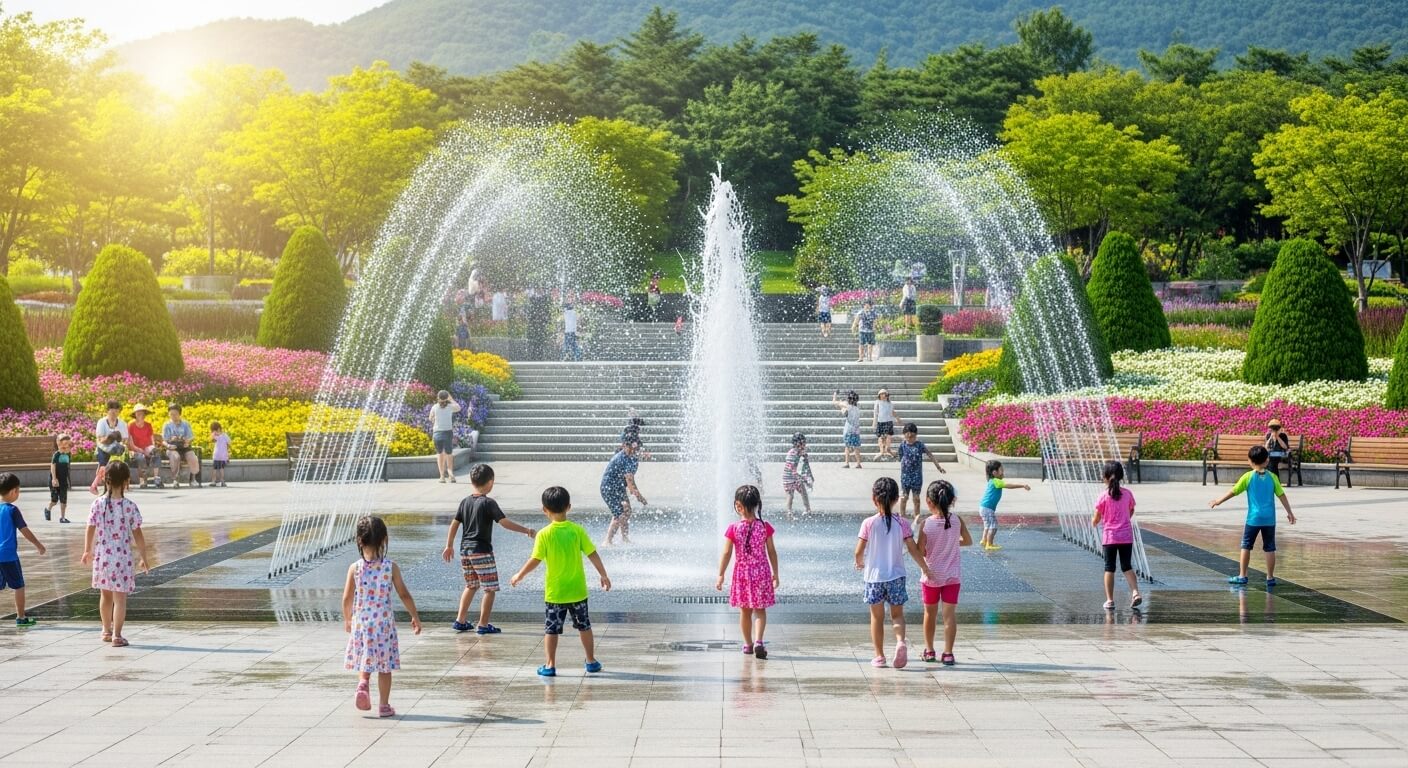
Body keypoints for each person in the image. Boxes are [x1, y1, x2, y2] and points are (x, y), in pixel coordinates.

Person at [510, 486, 611, 677]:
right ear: (569, 507)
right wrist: (603, 574)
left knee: (551, 630)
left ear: (544, 510)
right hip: (577, 591)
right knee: (584, 626)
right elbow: (592, 554)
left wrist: (520, 575)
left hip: (555, 593)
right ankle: (590, 661)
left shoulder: (544, 534)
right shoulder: (577, 530)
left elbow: (535, 560)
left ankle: (550, 665)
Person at [442, 464, 536, 634]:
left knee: (471, 585)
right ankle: (483, 624)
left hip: (466, 550)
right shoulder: (489, 503)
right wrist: (527, 530)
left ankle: (460, 620)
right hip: (482, 551)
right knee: (490, 589)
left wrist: (449, 545)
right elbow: (504, 522)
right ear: (491, 482)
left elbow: (454, 523)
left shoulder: (465, 502)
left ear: (472, 482)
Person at [342, 516, 421, 718]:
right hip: (383, 625)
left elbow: (347, 597)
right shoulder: (390, 567)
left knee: (365, 659)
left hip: (362, 622)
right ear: (384, 540)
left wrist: (348, 619)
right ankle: (384, 705)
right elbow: (404, 594)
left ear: (359, 540)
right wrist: (414, 616)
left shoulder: (355, 568)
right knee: (384, 667)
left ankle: (363, 683)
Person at [855, 477, 932, 669]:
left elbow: (858, 551)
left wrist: (860, 562)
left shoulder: (868, 523)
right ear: (896, 499)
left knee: (877, 618)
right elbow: (913, 549)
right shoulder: (903, 523)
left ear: (874, 499)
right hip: (897, 576)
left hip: (874, 578)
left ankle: (879, 656)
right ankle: (900, 642)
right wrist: (924, 567)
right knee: (897, 615)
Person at [81, 461, 149, 647]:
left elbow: (90, 528)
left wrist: (87, 549)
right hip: (122, 558)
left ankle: (105, 630)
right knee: (120, 599)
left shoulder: (97, 503)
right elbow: (138, 535)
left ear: (105, 480)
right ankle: (117, 635)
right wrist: (144, 557)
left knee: (105, 596)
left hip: (102, 556)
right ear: (127, 481)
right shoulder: (129, 506)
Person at [1210, 445, 1297, 587]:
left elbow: (1234, 491)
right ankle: (1270, 578)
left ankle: (1242, 576)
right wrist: (1290, 513)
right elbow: (1282, 495)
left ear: (1250, 461)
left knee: (1246, 545)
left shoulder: (1248, 477)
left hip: (1253, 519)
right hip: (1269, 519)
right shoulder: (1273, 477)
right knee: (1269, 548)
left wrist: (1218, 501)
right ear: (1267, 460)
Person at [715, 485, 778, 659]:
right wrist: (776, 573)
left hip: (742, 573)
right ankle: (759, 641)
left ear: (738, 506)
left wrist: (721, 574)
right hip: (762, 572)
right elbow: (772, 551)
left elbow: (727, 553)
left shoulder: (733, 529)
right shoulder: (765, 527)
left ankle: (748, 644)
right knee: (760, 609)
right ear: (758, 504)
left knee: (745, 611)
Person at [915, 479, 969, 665]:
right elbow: (968, 541)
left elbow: (921, 551)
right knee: (949, 616)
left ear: (929, 502)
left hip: (931, 576)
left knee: (929, 614)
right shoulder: (957, 520)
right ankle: (948, 653)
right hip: (952, 576)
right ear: (952, 500)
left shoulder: (926, 524)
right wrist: (954, 543)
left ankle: (929, 651)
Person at [1092, 461, 1142, 610]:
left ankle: (1110, 600)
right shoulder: (1127, 494)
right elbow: (1131, 510)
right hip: (1126, 536)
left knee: (1109, 568)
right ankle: (1135, 592)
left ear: (1106, 477)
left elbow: (1097, 517)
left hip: (1110, 537)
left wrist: (1093, 522)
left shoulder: (1103, 496)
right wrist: (1124, 519)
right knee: (1127, 566)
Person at [1, 472, 47, 628]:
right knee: (18, 586)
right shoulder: (12, 510)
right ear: (14, 491)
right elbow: (24, 530)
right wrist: (38, 545)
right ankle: (21, 617)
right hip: (8, 556)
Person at [601, 441, 647, 546]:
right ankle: (607, 541)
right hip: (609, 488)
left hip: (619, 487)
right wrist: (640, 498)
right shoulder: (623, 458)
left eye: (635, 449)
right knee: (619, 514)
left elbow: (630, 481)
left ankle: (625, 539)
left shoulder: (633, 458)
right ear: (624, 446)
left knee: (627, 510)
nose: (633, 451)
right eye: (630, 448)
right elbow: (630, 484)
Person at [979, 460, 1029, 551]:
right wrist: (1022, 485)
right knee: (993, 526)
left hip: (984, 507)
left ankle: (984, 540)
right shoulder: (996, 481)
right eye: (1001, 470)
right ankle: (989, 544)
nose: (1003, 472)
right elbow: (1008, 485)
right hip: (988, 508)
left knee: (987, 525)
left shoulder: (992, 480)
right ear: (994, 472)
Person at [897, 423, 946, 516]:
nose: (910, 438)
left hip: (917, 477)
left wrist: (938, 467)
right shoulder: (902, 445)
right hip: (905, 476)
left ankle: (917, 517)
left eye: (912, 436)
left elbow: (930, 455)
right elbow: (899, 457)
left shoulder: (920, 445)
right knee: (904, 497)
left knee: (916, 498)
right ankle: (902, 517)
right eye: (908, 436)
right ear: (904, 435)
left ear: (916, 435)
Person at [90, 400, 128, 495]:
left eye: (116, 410)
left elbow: (125, 439)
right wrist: (110, 438)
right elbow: (100, 439)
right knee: (104, 465)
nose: (114, 412)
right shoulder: (102, 422)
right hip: (103, 448)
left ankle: (115, 486)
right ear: (108, 410)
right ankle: (94, 486)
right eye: (112, 409)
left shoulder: (122, 423)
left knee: (116, 462)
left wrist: (118, 439)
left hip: (117, 449)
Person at [162, 405, 201, 488]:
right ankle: (175, 479)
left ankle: (193, 479)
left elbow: (191, 437)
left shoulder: (185, 424)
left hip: (184, 447)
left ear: (179, 414)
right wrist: (169, 445)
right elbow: (163, 440)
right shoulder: (167, 425)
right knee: (175, 457)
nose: (173, 416)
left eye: (175, 414)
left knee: (192, 457)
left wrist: (188, 441)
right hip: (172, 447)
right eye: (171, 414)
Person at [430, 390, 462, 483]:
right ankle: (451, 474)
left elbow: (430, 418)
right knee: (449, 453)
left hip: (437, 433)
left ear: (438, 398)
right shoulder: (450, 407)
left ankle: (442, 476)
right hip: (447, 433)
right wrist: (451, 399)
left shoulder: (434, 407)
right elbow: (459, 408)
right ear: (446, 398)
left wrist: (435, 420)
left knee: (440, 453)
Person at [127, 404, 161, 489]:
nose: (140, 415)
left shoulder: (148, 425)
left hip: (147, 447)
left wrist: (152, 448)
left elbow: (152, 439)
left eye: (142, 413)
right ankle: (143, 480)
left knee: (156, 452)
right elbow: (131, 444)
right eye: (138, 413)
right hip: (135, 449)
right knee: (141, 457)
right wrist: (142, 451)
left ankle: (156, 477)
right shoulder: (131, 425)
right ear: (135, 415)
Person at [782, 433, 814, 520]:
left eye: (804, 442)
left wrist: (805, 458)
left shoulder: (799, 452)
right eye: (802, 443)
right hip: (788, 476)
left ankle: (808, 509)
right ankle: (789, 512)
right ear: (796, 444)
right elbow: (790, 466)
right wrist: (798, 476)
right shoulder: (792, 453)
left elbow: (804, 465)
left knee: (803, 491)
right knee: (790, 494)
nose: (804, 444)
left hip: (795, 476)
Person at [832, 390, 863, 468]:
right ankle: (858, 463)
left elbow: (834, 402)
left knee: (847, 447)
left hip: (848, 430)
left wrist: (835, 395)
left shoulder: (847, 406)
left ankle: (847, 463)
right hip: (856, 431)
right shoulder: (857, 409)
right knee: (856, 448)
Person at [46, 434, 72, 523]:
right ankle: (48, 509)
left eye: (68, 444)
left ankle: (62, 517)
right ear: (59, 444)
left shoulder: (68, 454)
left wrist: (69, 481)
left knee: (64, 499)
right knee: (54, 500)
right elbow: (53, 466)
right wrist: (54, 478)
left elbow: (67, 468)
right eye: (63, 444)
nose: (66, 446)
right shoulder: (56, 455)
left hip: (63, 480)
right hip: (55, 479)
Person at [872, 389, 900, 461]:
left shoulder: (890, 403)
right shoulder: (877, 402)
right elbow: (875, 413)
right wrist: (874, 422)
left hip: (889, 421)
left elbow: (892, 412)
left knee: (888, 437)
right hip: (881, 422)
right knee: (881, 437)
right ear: (879, 395)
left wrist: (897, 418)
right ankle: (881, 451)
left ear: (887, 395)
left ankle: (888, 449)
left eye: (885, 394)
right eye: (881, 394)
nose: (883, 395)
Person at [209, 421, 231, 487]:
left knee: (215, 468)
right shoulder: (225, 435)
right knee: (221, 468)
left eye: (213, 430)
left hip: (216, 455)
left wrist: (213, 434)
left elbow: (211, 440)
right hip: (223, 455)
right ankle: (222, 481)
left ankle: (213, 481)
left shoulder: (216, 436)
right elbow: (229, 442)